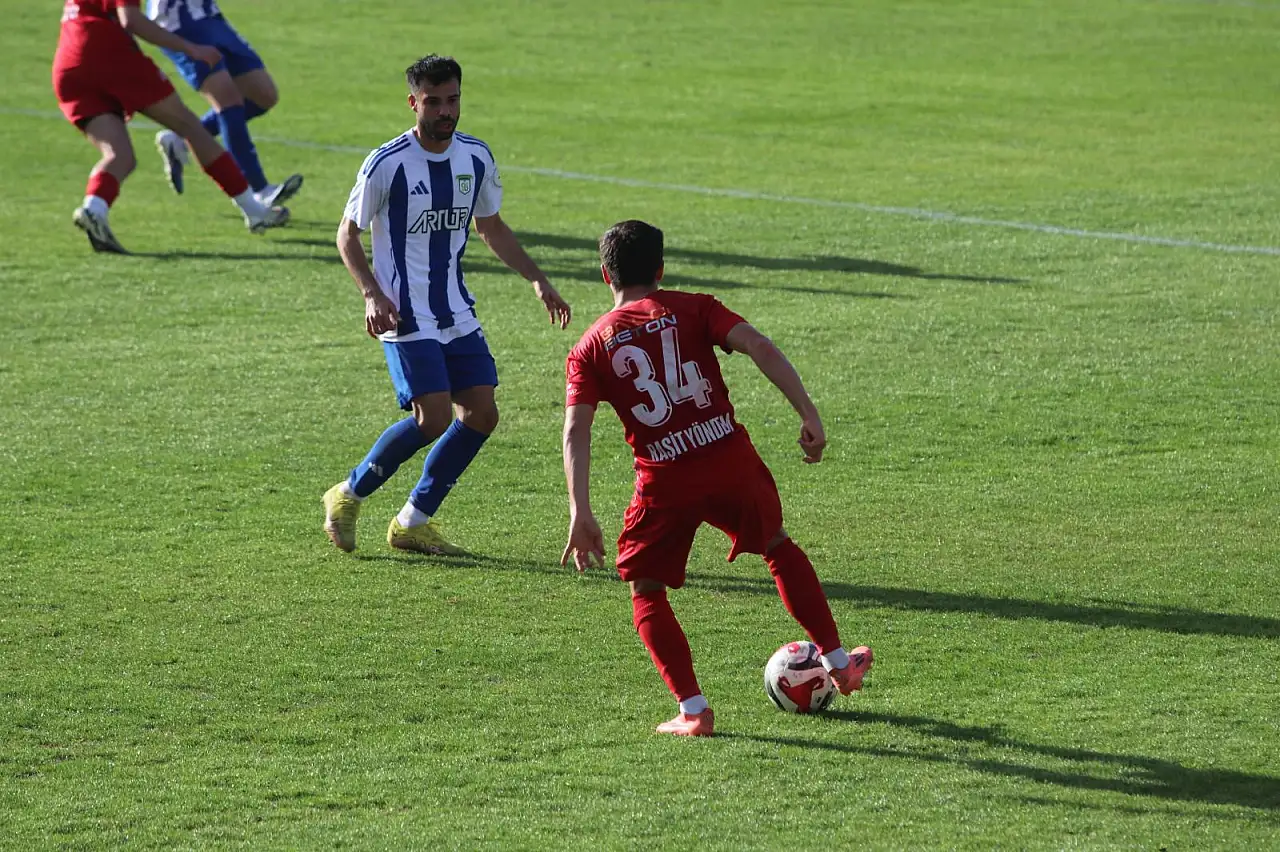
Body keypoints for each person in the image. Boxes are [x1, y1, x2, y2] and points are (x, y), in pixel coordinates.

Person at [560, 220, 873, 738]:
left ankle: (693, 710)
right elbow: (759, 345)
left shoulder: (591, 346)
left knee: (646, 590)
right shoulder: (694, 306)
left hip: (665, 478)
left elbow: (576, 429)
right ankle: (839, 662)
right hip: (729, 458)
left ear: (603, 274)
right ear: (660, 271)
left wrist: (580, 510)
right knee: (776, 545)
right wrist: (808, 412)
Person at [322, 54, 573, 556]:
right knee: (432, 418)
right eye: (433, 101)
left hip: (455, 310)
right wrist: (372, 294)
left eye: (452, 100)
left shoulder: (475, 157)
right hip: (403, 312)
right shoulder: (387, 163)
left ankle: (413, 521)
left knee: (482, 412)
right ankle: (347, 494)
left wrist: (537, 280)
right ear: (413, 102)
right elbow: (346, 235)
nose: (444, 111)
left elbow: (491, 227)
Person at [53, 0, 289, 253]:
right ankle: (254, 211)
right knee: (191, 127)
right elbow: (130, 19)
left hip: (68, 63)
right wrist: (191, 48)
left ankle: (94, 209)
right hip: (108, 52)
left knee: (119, 155)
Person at [146, 0, 303, 206]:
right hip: (178, 23)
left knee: (264, 95)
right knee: (228, 101)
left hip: (209, 15)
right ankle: (259, 190)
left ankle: (181, 141)